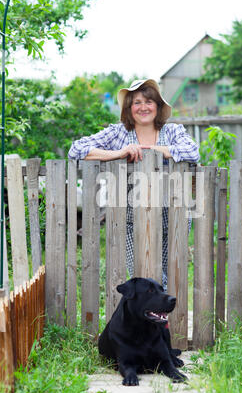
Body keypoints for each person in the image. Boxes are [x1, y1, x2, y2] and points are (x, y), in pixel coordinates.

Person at [68, 79, 200, 288]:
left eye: (148, 101)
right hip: (131, 219)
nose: (143, 107)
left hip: (173, 216)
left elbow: (193, 152)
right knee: (142, 274)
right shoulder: (118, 133)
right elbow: (76, 149)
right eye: (137, 103)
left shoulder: (173, 131)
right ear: (129, 109)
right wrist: (119, 153)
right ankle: (155, 318)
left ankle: (161, 318)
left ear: (157, 105)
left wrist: (151, 150)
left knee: (168, 275)